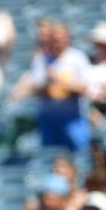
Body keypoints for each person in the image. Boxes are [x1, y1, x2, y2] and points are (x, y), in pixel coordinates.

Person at [30, 23, 91, 152]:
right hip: (49, 119)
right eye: (53, 38)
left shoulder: (77, 57)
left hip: (73, 118)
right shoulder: (41, 60)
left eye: (59, 38)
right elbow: (35, 88)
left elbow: (85, 87)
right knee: (52, 157)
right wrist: (47, 84)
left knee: (79, 154)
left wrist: (61, 82)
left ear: (67, 38)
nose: (56, 42)